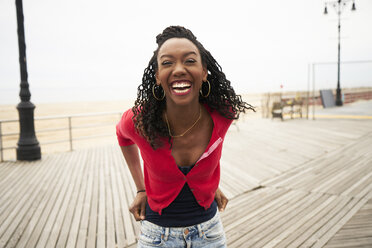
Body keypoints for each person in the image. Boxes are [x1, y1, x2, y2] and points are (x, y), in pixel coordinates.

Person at [116, 26, 254, 248]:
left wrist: (207, 185)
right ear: (158, 77)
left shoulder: (223, 113)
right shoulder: (139, 121)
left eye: (190, 61)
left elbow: (205, 160)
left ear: (204, 71)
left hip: (210, 234)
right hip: (156, 237)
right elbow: (121, 136)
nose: (179, 69)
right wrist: (141, 189)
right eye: (167, 63)